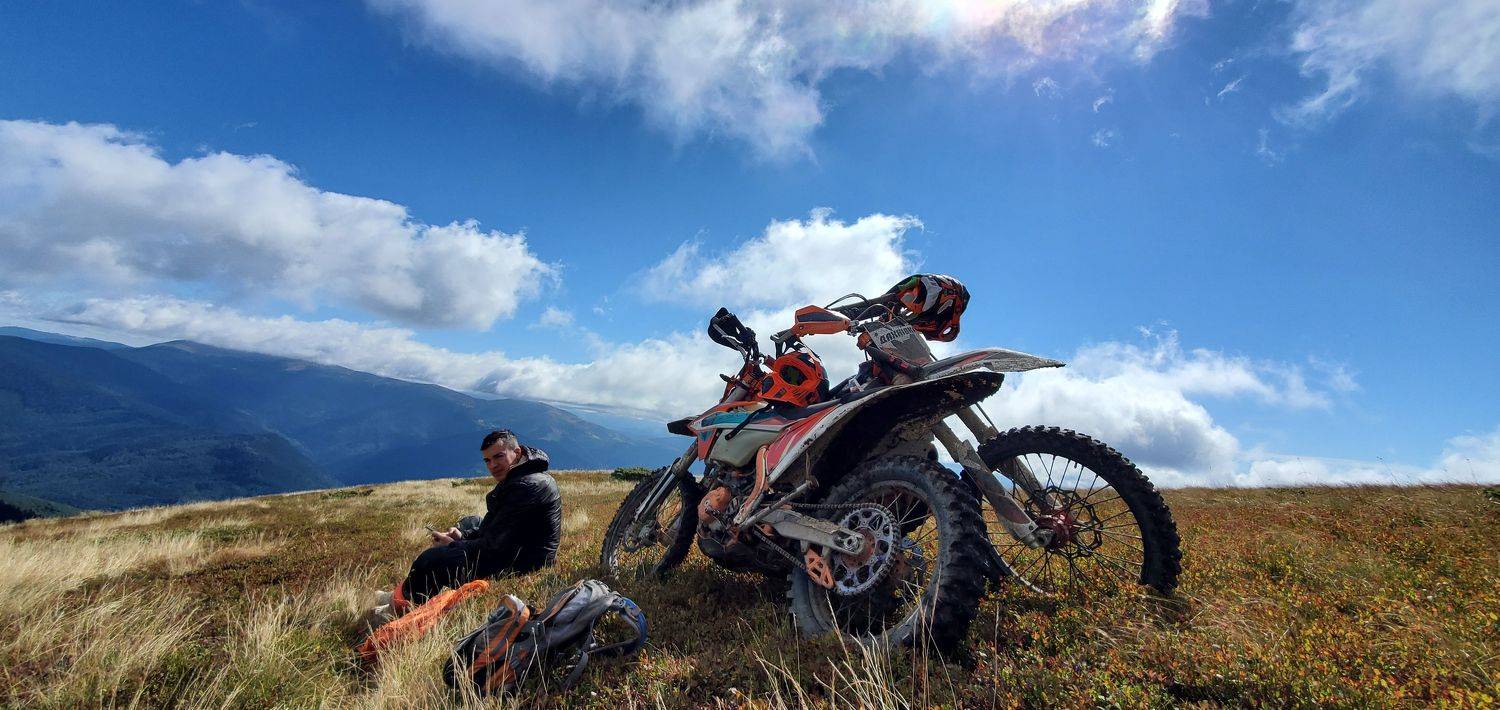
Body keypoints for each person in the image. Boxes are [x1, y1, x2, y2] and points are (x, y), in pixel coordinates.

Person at [387, 430, 562, 613]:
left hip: (524, 562)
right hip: (520, 549)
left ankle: (400, 606)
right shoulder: (522, 475)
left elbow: (493, 546)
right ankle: (401, 595)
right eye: (487, 460)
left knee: (431, 560)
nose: (493, 465)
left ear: (516, 452)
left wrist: (453, 545)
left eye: (498, 457)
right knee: (469, 523)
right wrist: (462, 536)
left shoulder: (526, 486)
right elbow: (496, 526)